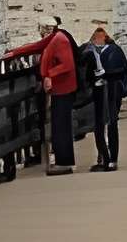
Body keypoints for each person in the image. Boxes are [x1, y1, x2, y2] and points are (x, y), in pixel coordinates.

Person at [6, 18, 79, 172]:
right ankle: (62, 160)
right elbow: (36, 47)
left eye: (41, 28)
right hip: (59, 88)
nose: (40, 32)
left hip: (63, 88)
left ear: (47, 28)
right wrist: (14, 53)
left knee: (61, 126)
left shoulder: (60, 40)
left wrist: (49, 75)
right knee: (58, 125)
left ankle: (64, 163)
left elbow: (68, 64)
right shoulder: (54, 38)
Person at [87, 22, 127, 171]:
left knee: (109, 124)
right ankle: (105, 157)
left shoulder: (113, 51)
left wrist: (103, 75)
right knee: (104, 125)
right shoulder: (99, 52)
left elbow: (120, 71)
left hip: (111, 92)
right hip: (106, 92)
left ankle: (110, 159)